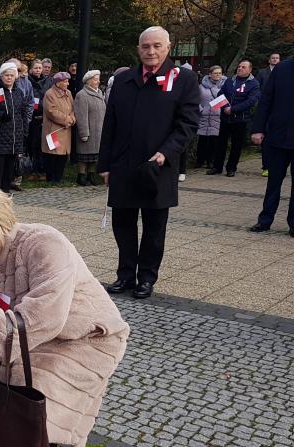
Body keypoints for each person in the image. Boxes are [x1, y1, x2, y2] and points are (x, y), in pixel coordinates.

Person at [0, 181, 130, 447]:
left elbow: (46, 314)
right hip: (30, 336)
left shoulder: (43, 243)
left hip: (85, 337)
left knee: (29, 385)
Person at [98, 25, 199, 299]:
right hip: (123, 165)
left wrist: (167, 152)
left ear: (168, 48)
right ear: (138, 49)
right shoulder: (123, 80)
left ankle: (146, 277)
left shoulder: (184, 80)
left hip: (158, 167)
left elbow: (188, 123)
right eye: (145, 46)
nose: (151, 51)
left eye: (157, 46)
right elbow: (110, 125)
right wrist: (105, 165)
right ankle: (125, 275)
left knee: (154, 228)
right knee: (123, 225)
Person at [249, 57, 294, 236]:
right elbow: (266, 100)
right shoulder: (282, 68)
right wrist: (258, 129)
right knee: (273, 182)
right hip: (278, 136)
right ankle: (265, 219)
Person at [207, 60, 260, 177]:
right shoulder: (230, 80)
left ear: (250, 70)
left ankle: (231, 168)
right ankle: (217, 166)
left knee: (236, 145)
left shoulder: (254, 84)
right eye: (239, 66)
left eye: (243, 67)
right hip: (225, 118)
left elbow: (250, 101)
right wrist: (225, 107)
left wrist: (233, 109)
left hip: (240, 119)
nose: (240, 68)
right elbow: (221, 94)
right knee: (220, 144)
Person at [0, 62, 30, 193]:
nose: (9, 78)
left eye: (11, 75)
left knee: (10, 167)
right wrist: (1, 115)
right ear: (1, 76)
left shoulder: (19, 92)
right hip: (0, 135)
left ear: (15, 77)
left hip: (15, 136)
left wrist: (24, 130)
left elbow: (23, 112)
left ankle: (5, 191)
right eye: (6, 75)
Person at [41, 72, 75, 183]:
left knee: (63, 155)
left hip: (66, 129)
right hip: (54, 130)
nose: (67, 84)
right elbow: (51, 112)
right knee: (53, 154)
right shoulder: (49, 94)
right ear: (58, 83)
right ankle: (51, 178)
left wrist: (72, 118)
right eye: (65, 81)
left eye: (67, 81)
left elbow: (72, 108)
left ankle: (59, 177)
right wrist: (67, 119)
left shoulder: (68, 93)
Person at [73, 70, 106, 186]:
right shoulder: (82, 95)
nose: (98, 82)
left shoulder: (100, 93)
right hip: (88, 130)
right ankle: (81, 176)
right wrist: (84, 133)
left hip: (99, 131)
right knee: (84, 155)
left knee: (94, 155)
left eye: (98, 79)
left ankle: (91, 175)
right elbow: (81, 115)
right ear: (88, 81)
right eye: (95, 79)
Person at [195, 65, 226, 169]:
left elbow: (227, 100)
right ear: (210, 74)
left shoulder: (225, 86)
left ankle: (210, 161)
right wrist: (201, 110)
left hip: (217, 117)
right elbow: (195, 99)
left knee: (214, 141)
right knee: (202, 140)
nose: (218, 75)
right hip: (204, 116)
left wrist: (219, 110)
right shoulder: (201, 86)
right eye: (215, 73)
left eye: (219, 73)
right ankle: (200, 160)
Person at [257, 53, 280, 177]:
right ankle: (266, 166)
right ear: (269, 60)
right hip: (265, 107)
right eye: (273, 58)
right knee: (266, 139)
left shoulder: (284, 72)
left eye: (277, 58)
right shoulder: (262, 73)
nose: (275, 60)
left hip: (279, 108)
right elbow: (258, 87)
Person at [26, 59, 48, 178]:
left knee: (42, 143)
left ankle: (42, 168)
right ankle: (32, 169)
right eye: (36, 68)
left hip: (44, 117)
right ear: (31, 69)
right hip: (32, 117)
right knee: (32, 144)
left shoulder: (47, 81)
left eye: (40, 68)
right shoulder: (27, 81)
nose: (38, 70)